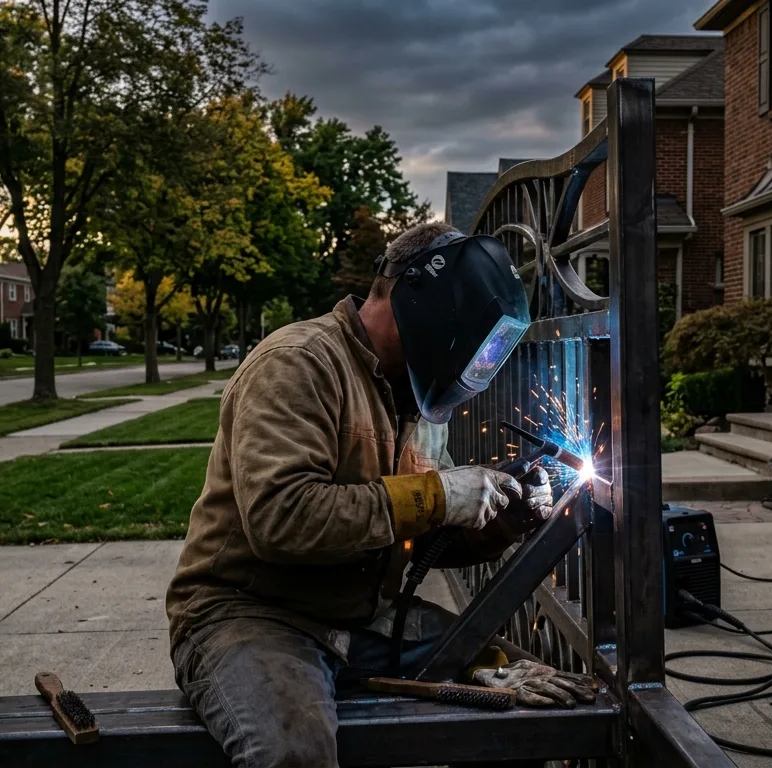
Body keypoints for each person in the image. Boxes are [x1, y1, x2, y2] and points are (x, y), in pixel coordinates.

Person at [166, 222, 595, 768]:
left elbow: (419, 537)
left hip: (362, 616)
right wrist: (438, 493)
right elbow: (282, 519)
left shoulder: (413, 396)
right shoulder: (299, 363)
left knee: (519, 692)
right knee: (295, 753)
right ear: (420, 298)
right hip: (251, 616)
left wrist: (503, 519)